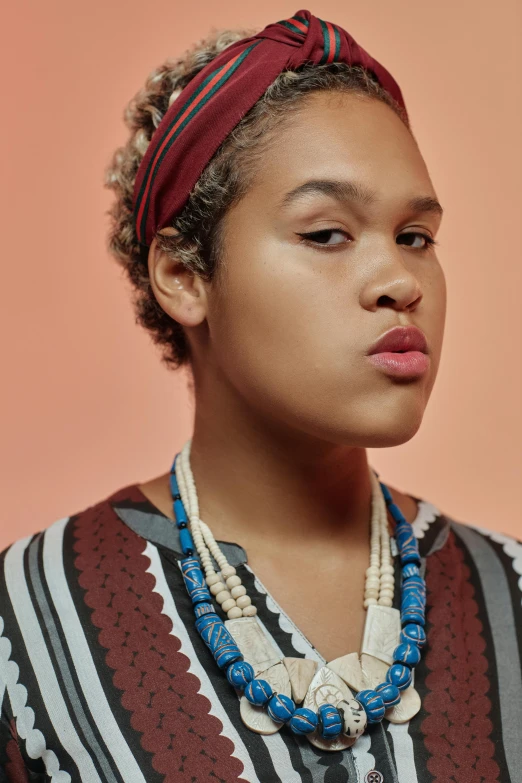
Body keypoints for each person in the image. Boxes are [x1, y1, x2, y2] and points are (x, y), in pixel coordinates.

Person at [0, 8, 520, 783]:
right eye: (326, 234)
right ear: (183, 274)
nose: (400, 282)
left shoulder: (509, 592)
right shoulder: (27, 625)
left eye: (416, 237)